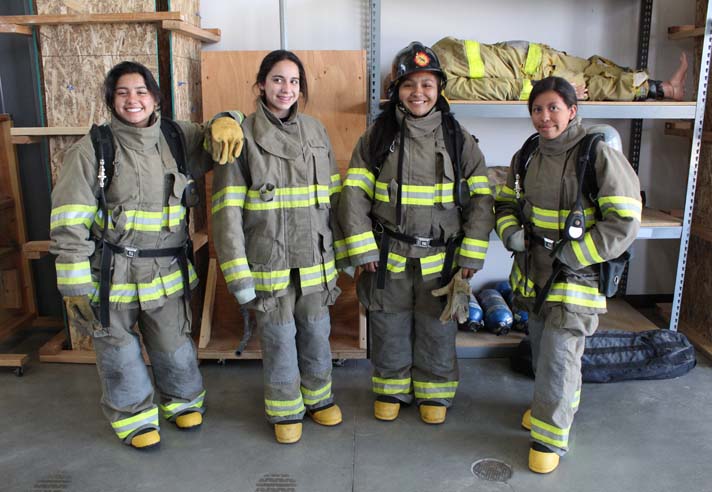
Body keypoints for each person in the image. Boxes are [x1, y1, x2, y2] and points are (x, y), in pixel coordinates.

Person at [49, 61, 244, 450]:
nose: (132, 100)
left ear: (155, 97)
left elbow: (218, 131)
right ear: (111, 101)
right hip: (111, 274)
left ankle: (183, 401)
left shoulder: (177, 136)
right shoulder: (92, 149)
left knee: (174, 344)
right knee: (118, 351)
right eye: (122, 93)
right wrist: (73, 285)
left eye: (141, 91)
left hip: (166, 271)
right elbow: (68, 220)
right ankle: (134, 418)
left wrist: (228, 119)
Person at [336, 42, 494, 425]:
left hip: (441, 260)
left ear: (439, 89)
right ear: (396, 91)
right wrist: (362, 249)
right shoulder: (376, 138)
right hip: (387, 257)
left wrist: (471, 258)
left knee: (436, 324)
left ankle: (435, 393)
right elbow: (353, 195)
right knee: (387, 322)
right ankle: (390, 388)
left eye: (427, 84)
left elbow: (482, 202)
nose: (418, 93)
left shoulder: (459, 140)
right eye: (409, 85)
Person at [495, 76, 641, 473]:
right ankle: (552, 405)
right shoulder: (527, 154)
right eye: (537, 109)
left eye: (554, 108)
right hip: (534, 275)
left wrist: (576, 254)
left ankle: (549, 436)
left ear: (572, 110)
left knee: (559, 356)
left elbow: (624, 221)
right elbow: (507, 201)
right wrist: (511, 233)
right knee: (544, 351)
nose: (545, 117)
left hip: (576, 278)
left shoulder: (597, 154)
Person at [211, 50, 344, 444]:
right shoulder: (242, 134)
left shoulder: (317, 131)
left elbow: (334, 198)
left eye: (294, 82)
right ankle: (285, 409)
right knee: (280, 338)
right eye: (277, 80)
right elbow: (227, 212)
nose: (287, 89)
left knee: (318, 333)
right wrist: (238, 277)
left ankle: (319, 400)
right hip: (270, 262)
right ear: (260, 85)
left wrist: (343, 255)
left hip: (317, 261)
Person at [432, 36, 688, 102]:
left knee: (596, 67)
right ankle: (662, 89)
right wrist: (551, 91)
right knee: (595, 84)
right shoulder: (443, 75)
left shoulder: (439, 53)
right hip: (538, 67)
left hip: (537, 59)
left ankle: (659, 85)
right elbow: (501, 88)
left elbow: (493, 54)